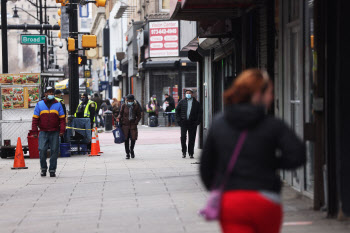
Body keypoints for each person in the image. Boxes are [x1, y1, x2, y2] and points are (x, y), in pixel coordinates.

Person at [200, 69, 306, 233]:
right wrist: (272, 163)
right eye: (270, 92)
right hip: (266, 199)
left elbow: (206, 166)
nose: (272, 97)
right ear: (258, 94)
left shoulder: (219, 123)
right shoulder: (272, 125)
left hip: (231, 200)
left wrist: (218, 186)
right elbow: (298, 155)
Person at [32, 87, 66, 177]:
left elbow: (62, 119)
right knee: (42, 150)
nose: (50, 94)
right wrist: (34, 131)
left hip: (55, 131)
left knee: (54, 151)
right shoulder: (39, 104)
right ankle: (43, 169)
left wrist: (62, 130)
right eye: (48, 92)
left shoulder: (58, 104)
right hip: (43, 132)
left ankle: (52, 170)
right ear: (45, 94)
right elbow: (35, 119)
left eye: (52, 92)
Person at [176, 89, 202, 159]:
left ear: (192, 94)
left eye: (189, 93)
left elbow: (200, 113)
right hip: (183, 122)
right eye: (187, 93)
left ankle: (191, 153)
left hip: (192, 123)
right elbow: (177, 111)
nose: (188, 94)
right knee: (183, 137)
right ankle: (184, 152)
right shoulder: (181, 102)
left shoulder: (196, 103)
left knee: (192, 138)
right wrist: (179, 120)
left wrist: (197, 121)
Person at [117, 94, 141, 159]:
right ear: (127, 100)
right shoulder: (124, 105)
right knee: (126, 139)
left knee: (133, 138)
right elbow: (120, 113)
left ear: (133, 100)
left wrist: (136, 122)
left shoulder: (136, 106)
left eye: (131, 100)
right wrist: (118, 118)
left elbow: (139, 115)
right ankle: (127, 153)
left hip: (133, 125)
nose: (130, 101)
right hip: (125, 125)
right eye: (129, 100)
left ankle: (131, 150)